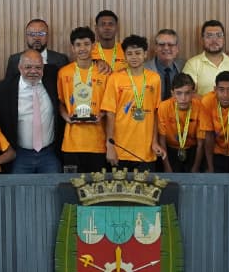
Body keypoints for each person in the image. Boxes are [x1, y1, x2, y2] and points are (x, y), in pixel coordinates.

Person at [0, 49, 65, 174]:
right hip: (19, 155)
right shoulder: (4, 88)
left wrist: (98, 62)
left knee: (53, 190)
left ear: (44, 67)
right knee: (18, 191)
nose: (33, 71)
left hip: (49, 154)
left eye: (38, 67)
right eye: (28, 67)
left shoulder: (52, 78)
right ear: (20, 67)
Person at [100, 34, 165, 171]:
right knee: (120, 192)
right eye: (129, 54)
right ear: (124, 56)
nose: (134, 57)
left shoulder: (155, 79)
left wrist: (155, 142)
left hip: (146, 151)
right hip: (120, 149)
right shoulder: (115, 78)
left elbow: (156, 112)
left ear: (145, 54)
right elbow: (110, 114)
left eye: (138, 53)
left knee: (144, 191)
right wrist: (110, 145)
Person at [56, 26, 110, 173]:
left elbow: (110, 104)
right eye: (78, 45)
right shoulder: (64, 72)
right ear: (72, 48)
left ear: (93, 46)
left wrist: (102, 114)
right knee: (72, 188)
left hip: (97, 142)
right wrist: (65, 116)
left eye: (87, 44)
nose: (83, 48)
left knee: (96, 188)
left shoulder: (104, 72)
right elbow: (60, 102)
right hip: (71, 143)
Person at [198, 70, 229, 172]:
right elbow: (209, 135)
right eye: (221, 90)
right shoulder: (207, 101)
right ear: (215, 89)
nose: (225, 95)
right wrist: (210, 167)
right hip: (218, 152)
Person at [182, 19, 229, 95]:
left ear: (224, 39)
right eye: (209, 36)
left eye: (219, 35)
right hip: (202, 106)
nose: (214, 40)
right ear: (202, 39)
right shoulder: (192, 64)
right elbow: (187, 94)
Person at [157, 73, 203, 173]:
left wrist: (195, 167)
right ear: (172, 93)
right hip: (169, 151)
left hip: (192, 151)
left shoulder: (200, 106)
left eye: (187, 93)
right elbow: (162, 140)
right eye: (179, 93)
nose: (183, 98)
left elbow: (201, 143)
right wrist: (167, 167)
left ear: (193, 93)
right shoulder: (163, 107)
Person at [3, 18, 70, 81]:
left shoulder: (61, 60)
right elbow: (8, 88)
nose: (36, 38)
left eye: (41, 33)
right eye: (32, 34)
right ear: (26, 36)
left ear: (47, 36)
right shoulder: (14, 60)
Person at [144, 29, 182, 97]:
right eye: (161, 44)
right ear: (155, 48)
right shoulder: (144, 69)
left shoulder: (184, 66)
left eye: (170, 44)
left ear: (177, 49)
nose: (166, 48)